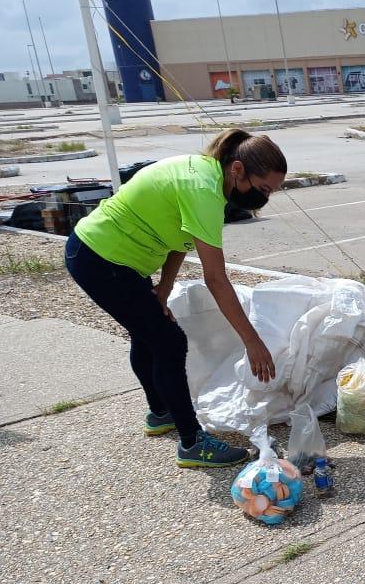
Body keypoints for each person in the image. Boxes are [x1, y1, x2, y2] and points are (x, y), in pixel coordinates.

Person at [65, 128, 286, 468]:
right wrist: (252, 341)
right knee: (168, 342)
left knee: (150, 334)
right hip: (101, 258)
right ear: (238, 169)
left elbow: (181, 238)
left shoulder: (206, 176)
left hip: (113, 260)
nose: (264, 198)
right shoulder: (203, 190)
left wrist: (165, 285)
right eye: (263, 189)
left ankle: (161, 414)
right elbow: (216, 279)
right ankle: (191, 442)